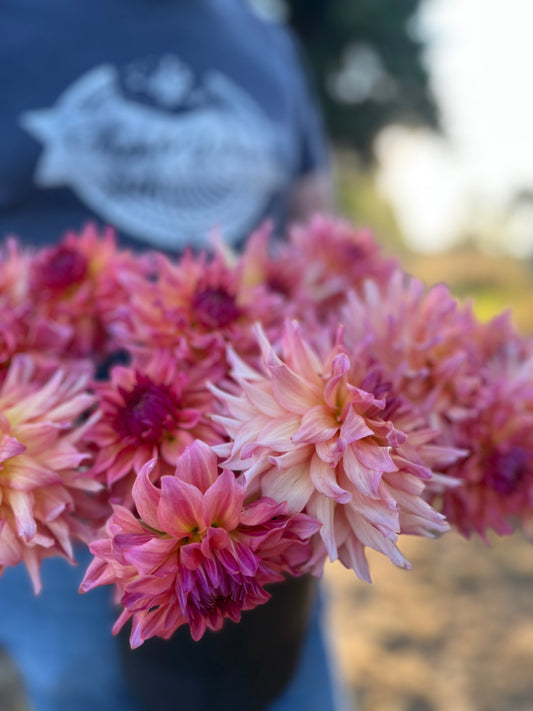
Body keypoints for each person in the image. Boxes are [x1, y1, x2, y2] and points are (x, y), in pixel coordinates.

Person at [0, 1, 347, 709]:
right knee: (85, 687)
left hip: (265, 484)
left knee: (291, 689)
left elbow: (320, 235)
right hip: (54, 490)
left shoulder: (265, 43)